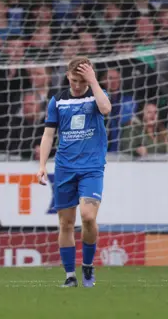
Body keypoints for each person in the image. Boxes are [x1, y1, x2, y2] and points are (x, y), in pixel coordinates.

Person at [36, 57, 111, 288]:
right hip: (65, 168)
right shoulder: (57, 101)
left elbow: (106, 109)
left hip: (91, 168)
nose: (77, 85)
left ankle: (87, 266)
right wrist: (41, 166)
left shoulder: (96, 95)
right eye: (74, 79)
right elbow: (48, 135)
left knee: (88, 217)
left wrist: (94, 82)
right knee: (66, 223)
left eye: (82, 80)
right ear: (68, 75)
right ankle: (70, 275)